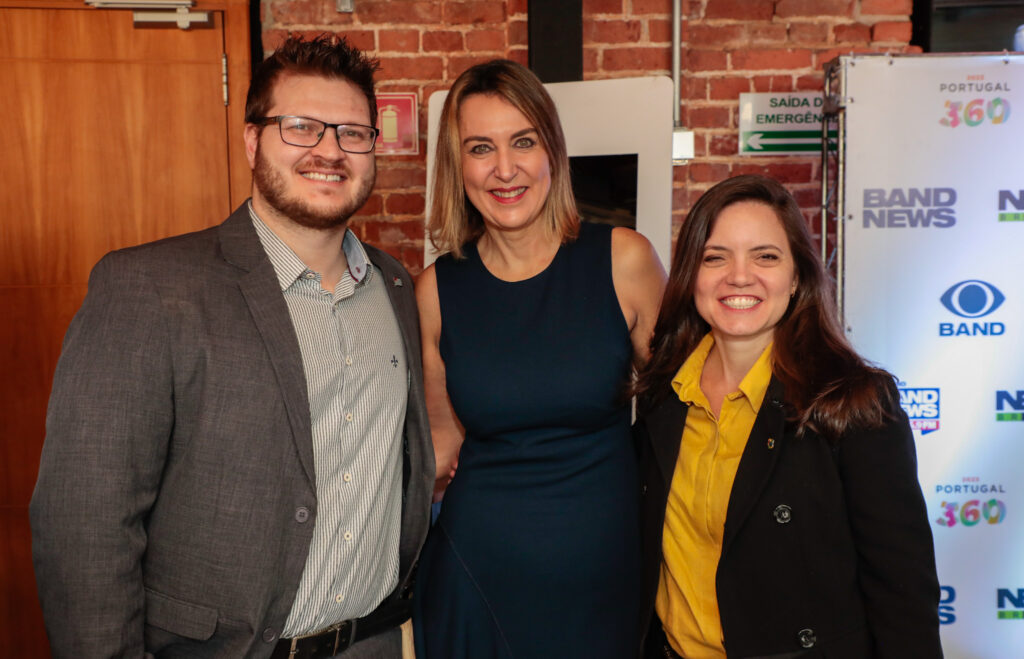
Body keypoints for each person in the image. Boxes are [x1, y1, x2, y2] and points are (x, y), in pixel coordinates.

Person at [30, 35, 433, 659]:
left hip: (374, 643)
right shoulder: (150, 288)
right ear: (252, 140)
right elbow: (86, 525)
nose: (330, 150)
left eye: (353, 133)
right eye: (301, 127)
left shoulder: (396, 286)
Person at [411, 58, 666, 658]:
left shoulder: (624, 260)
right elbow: (439, 455)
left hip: (604, 573)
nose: (504, 169)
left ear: (551, 148)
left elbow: (682, 416)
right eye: (480, 148)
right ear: (458, 165)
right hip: (477, 574)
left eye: (522, 141)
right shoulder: (435, 292)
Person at [633, 174, 942, 658]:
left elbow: (904, 594)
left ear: (797, 276)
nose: (739, 276)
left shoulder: (854, 402)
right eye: (715, 257)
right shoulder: (662, 397)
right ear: (692, 273)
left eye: (766, 256)